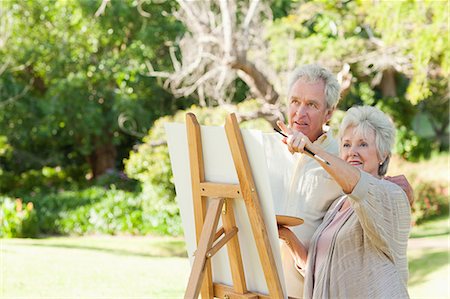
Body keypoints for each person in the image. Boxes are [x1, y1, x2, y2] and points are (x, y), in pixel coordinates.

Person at [277, 64, 413, 298]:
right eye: (347, 145)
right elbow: (318, 270)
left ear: (383, 155)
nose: (353, 152)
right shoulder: (337, 207)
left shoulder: (389, 195)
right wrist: (286, 236)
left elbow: (360, 186)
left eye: (363, 144)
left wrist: (311, 149)